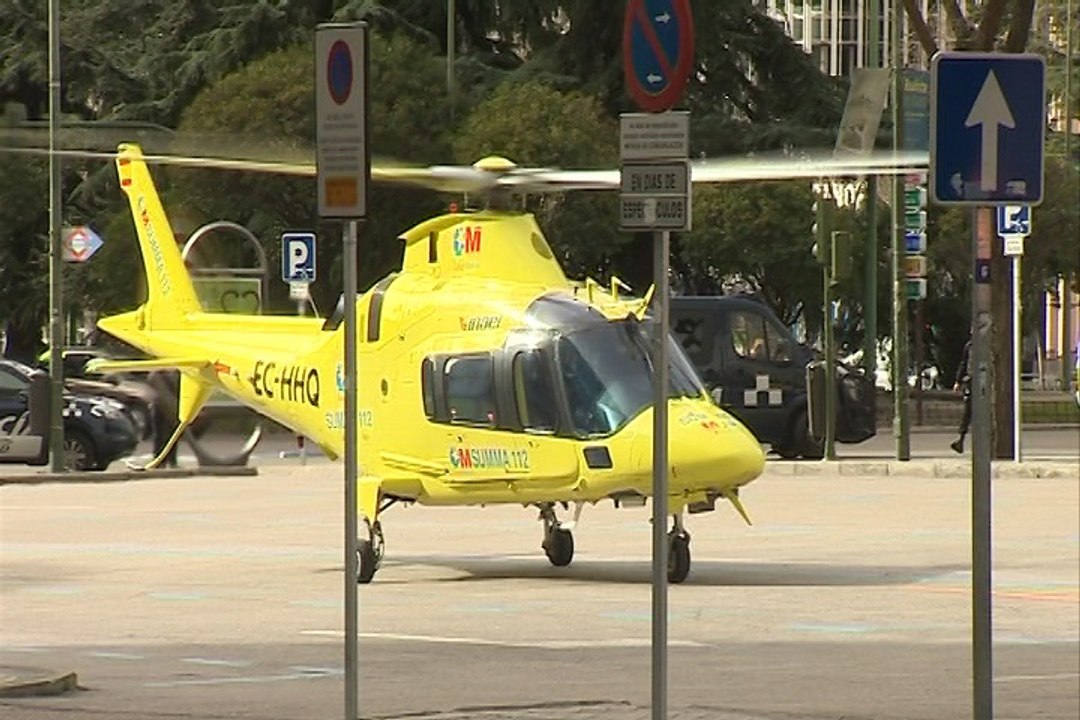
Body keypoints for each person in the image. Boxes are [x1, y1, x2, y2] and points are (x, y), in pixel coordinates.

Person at [148, 370, 180, 468]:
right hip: (163, 407)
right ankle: (162, 460)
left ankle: (167, 460)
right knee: (163, 435)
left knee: (170, 435)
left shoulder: (159, 375)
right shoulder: (158, 375)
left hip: (167, 405)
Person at [950, 337, 972, 454]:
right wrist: (958, 380)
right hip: (971, 382)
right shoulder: (970, 346)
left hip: (980, 382)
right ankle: (961, 440)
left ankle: (961, 440)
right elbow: (964, 363)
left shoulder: (986, 345)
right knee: (967, 412)